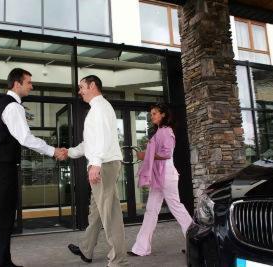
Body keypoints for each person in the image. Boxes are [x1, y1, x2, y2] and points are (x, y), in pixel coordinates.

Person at [0, 68, 58, 267]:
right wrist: (53, 151)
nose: (31, 86)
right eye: (28, 82)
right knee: (3, 216)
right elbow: (25, 138)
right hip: (3, 168)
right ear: (17, 84)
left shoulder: (3, 104)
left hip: (0, 166)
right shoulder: (13, 107)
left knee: (5, 215)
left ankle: (2, 261)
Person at [56, 75, 129, 267]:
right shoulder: (98, 108)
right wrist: (70, 152)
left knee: (110, 214)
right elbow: (91, 142)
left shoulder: (100, 108)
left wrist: (95, 164)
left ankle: (119, 260)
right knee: (96, 212)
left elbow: (102, 139)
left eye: (82, 87)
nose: (79, 91)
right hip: (103, 163)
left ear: (93, 85)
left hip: (103, 165)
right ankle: (86, 249)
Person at [127, 103, 194, 257]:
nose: (152, 117)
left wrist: (146, 155)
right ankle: (141, 248)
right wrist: (147, 154)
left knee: (176, 207)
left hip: (166, 174)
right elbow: (158, 153)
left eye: (155, 113)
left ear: (163, 114)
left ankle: (196, 242)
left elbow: (167, 154)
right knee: (151, 210)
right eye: (151, 114)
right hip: (160, 175)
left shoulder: (166, 131)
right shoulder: (159, 131)